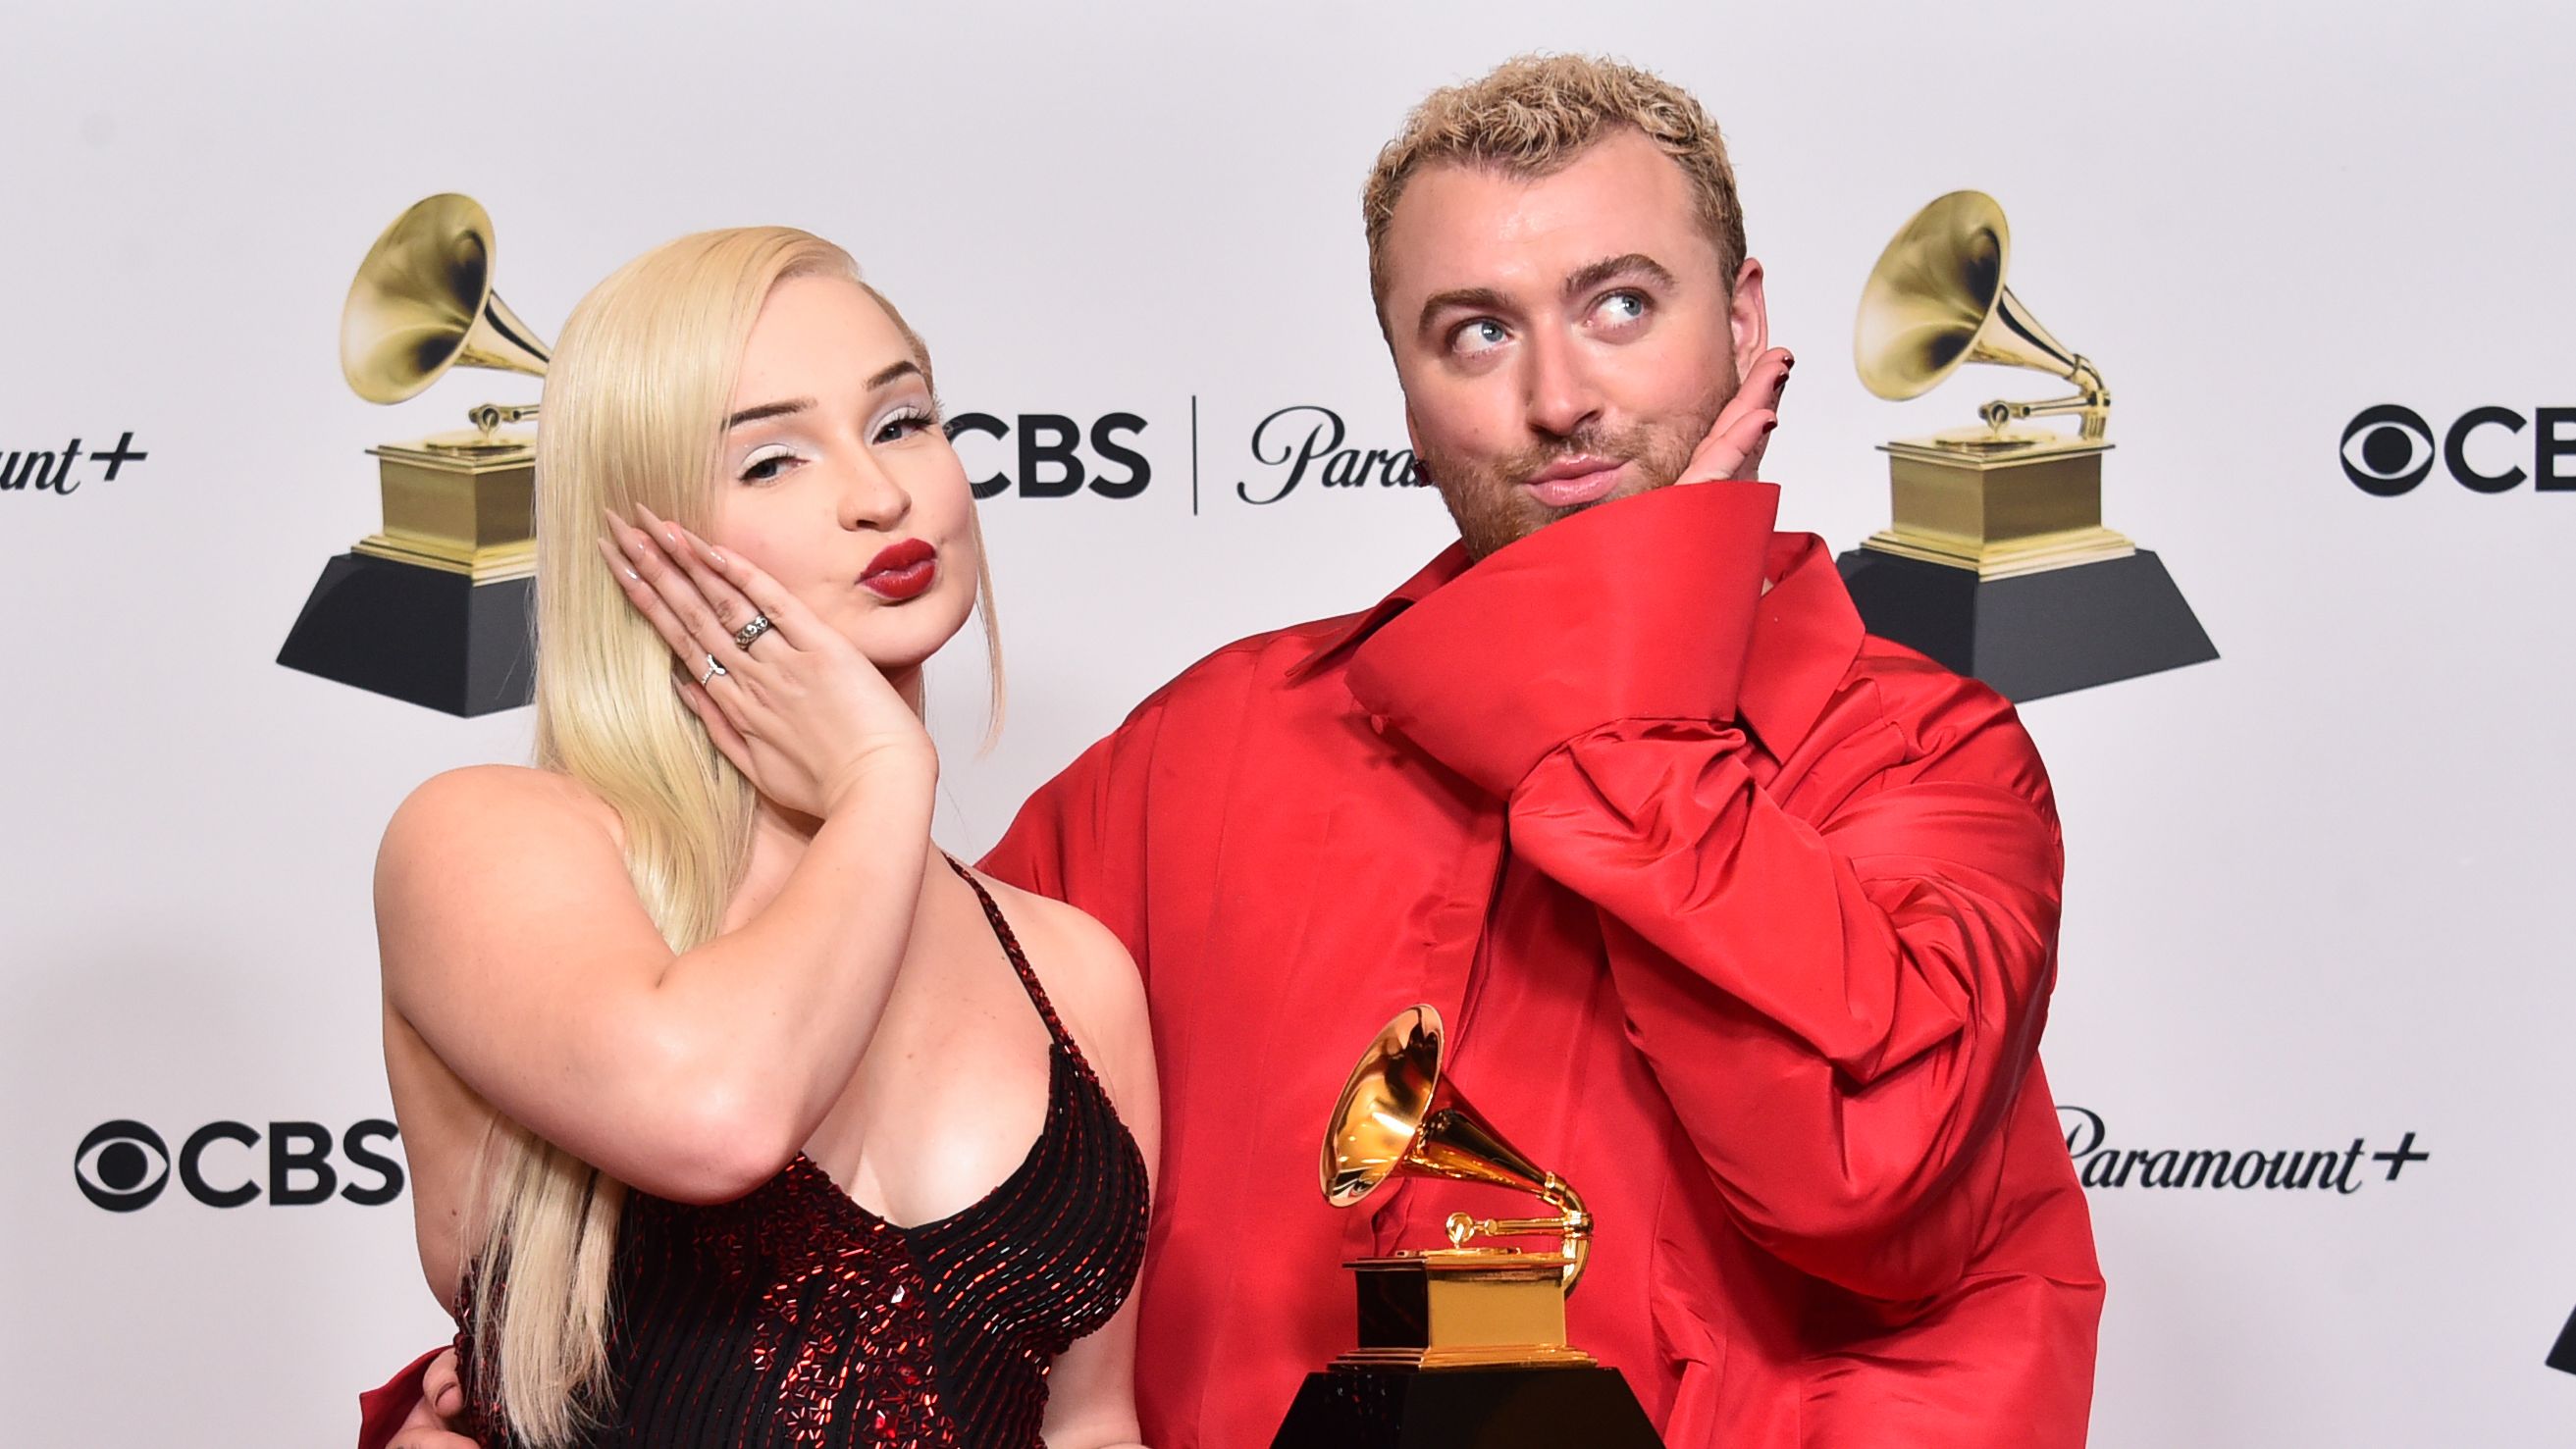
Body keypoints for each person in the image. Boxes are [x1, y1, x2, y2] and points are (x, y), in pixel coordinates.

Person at [386, 52, 2102, 1449]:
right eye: (1478, 332)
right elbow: (838, 1086)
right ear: (1408, 388)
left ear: (1744, 316)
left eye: (1623, 305)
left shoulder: (1928, 759)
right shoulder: (1222, 745)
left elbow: (1855, 1176)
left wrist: (1638, 653)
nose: (1560, 397)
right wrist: (532, 1372)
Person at [369, 228, 1157, 1449]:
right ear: (638, 531)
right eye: (775, 459)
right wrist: (885, 777)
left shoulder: (1074, 970)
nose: (879, 493)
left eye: (902, 421)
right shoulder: (492, 841)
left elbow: (1092, 1425)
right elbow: (717, 1115)